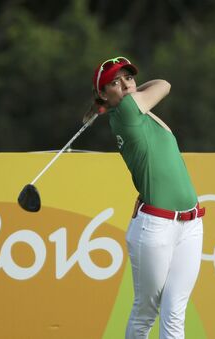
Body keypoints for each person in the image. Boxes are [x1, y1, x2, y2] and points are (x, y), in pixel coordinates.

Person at [87, 56, 205, 339]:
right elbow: (163, 85)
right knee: (145, 312)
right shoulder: (127, 112)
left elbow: (159, 85)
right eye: (115, 82)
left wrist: (127, 91)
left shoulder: (138, 109)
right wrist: (132, 95)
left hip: (190, 224)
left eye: (128, 77)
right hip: (155, 226)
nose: (126, 84)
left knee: (175, 311)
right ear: (103, 94)